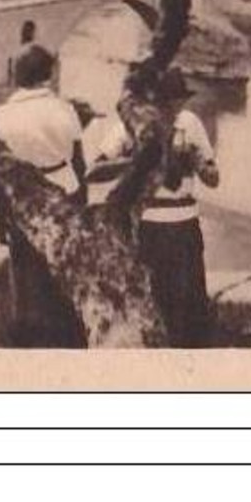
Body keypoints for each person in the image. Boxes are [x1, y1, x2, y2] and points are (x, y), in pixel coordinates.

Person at [90, 68, 220, 348]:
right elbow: (94, 170)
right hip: (149, 226)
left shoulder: (191, 123)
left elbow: (214, 179)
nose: (174, 110)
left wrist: (197, 161)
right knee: (154, 304)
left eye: (178, 103)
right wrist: (138, 162)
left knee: (192, 307)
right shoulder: (133, 127)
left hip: (186, 225)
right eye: (167, 104)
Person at [0, 43, 86, 347]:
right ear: (48, 74)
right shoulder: (63, 109)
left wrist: (0, 219)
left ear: (16, 76)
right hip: (62, 194)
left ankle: (31, 341)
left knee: (27, 276)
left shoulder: (0, 116)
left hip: (20, 200)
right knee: (65, 273)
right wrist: (83, 208)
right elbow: (79, 164)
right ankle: (68, 338)